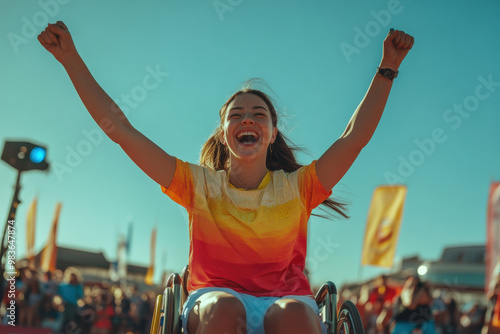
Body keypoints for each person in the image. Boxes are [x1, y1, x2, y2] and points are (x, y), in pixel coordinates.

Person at [38, 21, 414, 334]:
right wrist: (69, 58)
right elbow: (120, 128)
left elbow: (354, 138)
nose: (247, 119)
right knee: (225, 306)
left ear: (271, 132)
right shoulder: (198, 185)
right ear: (224, 133)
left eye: (258, 115)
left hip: (286, 303)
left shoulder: (298, 187)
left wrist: (388, 69)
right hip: (213, 302)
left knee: (296, 317)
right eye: (236, 115)